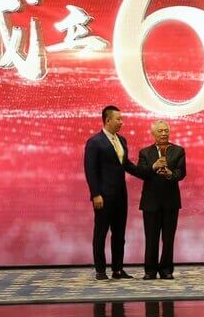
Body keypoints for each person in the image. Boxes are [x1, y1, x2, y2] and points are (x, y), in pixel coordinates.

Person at [83, 105, 149, 280]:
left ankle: (118, 269)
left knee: (119, 234)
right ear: (108, 120)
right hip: (103, 196)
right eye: (118, 119)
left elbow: (126, 165)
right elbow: (90, 170)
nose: (121, 122)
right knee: (101, 233)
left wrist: (147, 173)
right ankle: (100, 270)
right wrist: (95, 194)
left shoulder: (122, 140)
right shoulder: (95, 142)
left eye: (122, 119)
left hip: (121, 195)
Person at [135, 120, 186, 280]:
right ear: (153, 133)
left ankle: (166, 270)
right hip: (150, 202)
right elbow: (140, 172)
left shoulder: (178, 151)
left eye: (166, 131)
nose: (164, 133)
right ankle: (150, 271)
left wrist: (171, 174)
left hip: (171, 201)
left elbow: (181, 172)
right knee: (151, 238)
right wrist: (154, 167)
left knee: (168, 238)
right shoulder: (145, 152)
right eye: (160, 131)